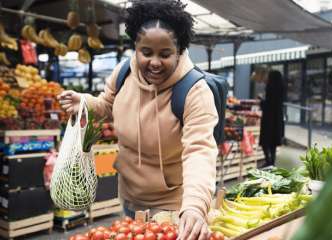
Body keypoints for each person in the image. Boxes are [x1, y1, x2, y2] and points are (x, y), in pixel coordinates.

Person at [57, 1, 218, 239]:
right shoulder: (123, 74)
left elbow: (200, 151)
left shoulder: (195, 91)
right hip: (130, 199)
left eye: (165, 54)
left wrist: (194, 205)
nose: (154, 62)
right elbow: (108, 105)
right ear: (135, 46)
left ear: (180, 50)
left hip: (173, 207)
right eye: (146, 52)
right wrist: (85, 102)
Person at [259, 70, 284, 167]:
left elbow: (268, 104)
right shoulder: (281, 88)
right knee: (273, 142)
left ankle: (268, 160)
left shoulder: (270, 88)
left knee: (265, 141)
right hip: (277, 118)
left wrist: (261, 101)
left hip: (268, 118)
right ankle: (272, 162)